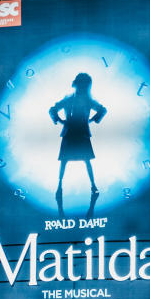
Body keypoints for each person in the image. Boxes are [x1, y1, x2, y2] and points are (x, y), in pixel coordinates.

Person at [49, 72, 107, 207]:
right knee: (67, 161)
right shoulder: (72, 99)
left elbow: (102, 110)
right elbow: (53, 109)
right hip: (72, 132)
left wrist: (91, 120)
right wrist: (61, 121)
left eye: (84, 84)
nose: (82, 87)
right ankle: (60, 186)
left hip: (79, 132)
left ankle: (92, 186)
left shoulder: (85, 100)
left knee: (83, 161)